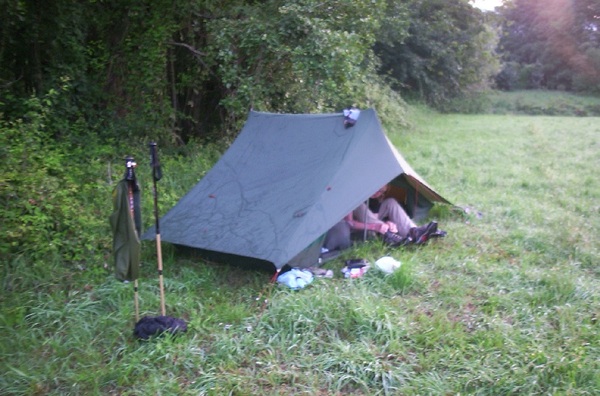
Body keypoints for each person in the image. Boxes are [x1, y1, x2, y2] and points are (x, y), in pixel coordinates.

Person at [323, 184, 441, 252]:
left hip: (372, 226)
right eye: (377, 189)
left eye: (381, 192)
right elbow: (349, 223)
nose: (377, 193)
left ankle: (414, 232)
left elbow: (373, 217)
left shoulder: (376, 199)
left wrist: (388, 223)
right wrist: (376, 226)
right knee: (359, 204)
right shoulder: (355, 195)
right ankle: (392, 238)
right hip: (351, 228)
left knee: (390, 202)